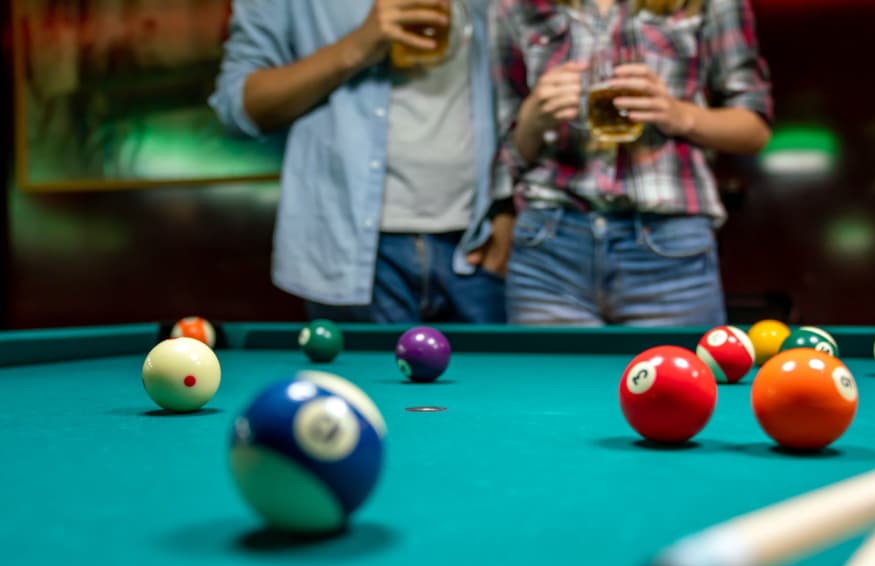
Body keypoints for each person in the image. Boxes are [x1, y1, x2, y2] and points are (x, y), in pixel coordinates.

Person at [210, 0, 510, 323]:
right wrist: (356, 46)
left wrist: (510, 209)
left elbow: (520, 79)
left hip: (478, 242)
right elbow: (238, 107)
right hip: (347, 247)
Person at [491, 0, 772, 326]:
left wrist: (680, 115)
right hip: (548, 247)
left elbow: (755, 131)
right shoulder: (513, 6)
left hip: (670, 248)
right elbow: (504, 154)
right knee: (542, 378)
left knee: (679, 378)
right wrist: (531, 120)